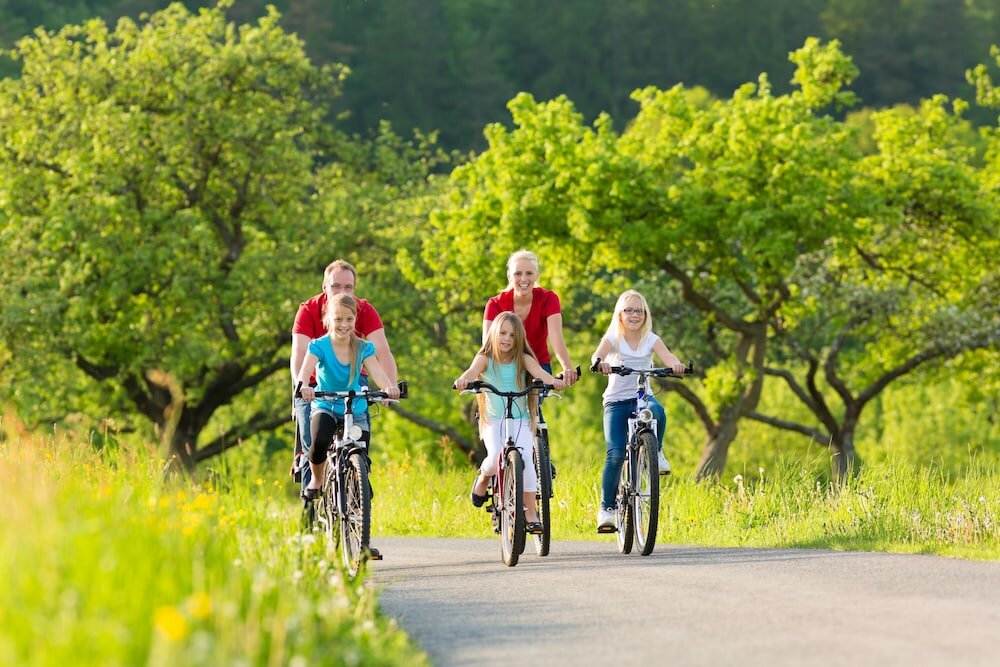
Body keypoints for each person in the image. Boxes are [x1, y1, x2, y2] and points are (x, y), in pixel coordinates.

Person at [455, 312, 565, 534]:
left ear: (519, 339)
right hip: (493, 421)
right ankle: (484, 477)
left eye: (512, 335)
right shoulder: (485, 358)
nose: (506, 338)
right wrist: (464, 380)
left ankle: (531, 513)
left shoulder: (523, 359)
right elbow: (472, 371)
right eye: (503, 333)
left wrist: (554, 382)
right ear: (494, 333)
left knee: (527, 461)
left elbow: (539, 373)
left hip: (521, 420)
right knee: (495, 455)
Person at [290, 259, 398, 487]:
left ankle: (358, 483)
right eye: (336, 286)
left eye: (348, 287)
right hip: (314, 382)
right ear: (324, 287)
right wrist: (302, 387)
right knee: (313, 440)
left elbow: (382, 351)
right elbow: (299, 353)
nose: (342, 292)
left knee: (360, 430)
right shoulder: (308, 310)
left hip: (353, 376)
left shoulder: (363, 311)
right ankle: (312, 491)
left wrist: (390, 387)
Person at [590, 290, 687, 533]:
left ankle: (657, 451)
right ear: (620, 315)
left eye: (639, 311)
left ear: (645, 315)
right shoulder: (614, 338)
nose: (634, 315)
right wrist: (600, 363)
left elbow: (668, 356)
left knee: (657, 410)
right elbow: (598, 355)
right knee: (615, 455)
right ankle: (607, 509)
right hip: (616, 402)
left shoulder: (651, 339)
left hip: (641, 398)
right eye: (629, 310)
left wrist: (675, 365)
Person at [483, 250, 578, 385]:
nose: (523, 279)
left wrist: (567, 367)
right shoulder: (495, 304)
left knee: (538, 397)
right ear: (509, 276)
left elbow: (555, 335)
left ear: (537, 275)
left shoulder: (548, 299)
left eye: (529, 273)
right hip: (505, 367)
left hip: (539, 366)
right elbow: (488, 344)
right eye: (518, 273)